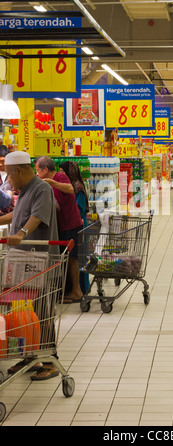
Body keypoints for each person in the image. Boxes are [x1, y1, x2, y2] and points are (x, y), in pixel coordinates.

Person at [0, 151, 60, 381]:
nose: (8, 180)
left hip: (40, 262)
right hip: (22, 264)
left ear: (19, 171)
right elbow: (18, 213)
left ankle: (48, 359)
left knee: (43, 313)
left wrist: (21, 233)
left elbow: (37, 216)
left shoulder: (42, 189)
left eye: (9, 175)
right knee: (25, 313)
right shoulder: (25, 191)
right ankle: (28, 356)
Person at [35, 156, 84, 303]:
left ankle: (76, 291)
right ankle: (67, 290)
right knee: (64, 259)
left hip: (71, 224)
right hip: (60, 225)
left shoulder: (60, 176)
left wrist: (51, 182)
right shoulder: (44, 184)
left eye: (37, 170)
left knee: (72, 259)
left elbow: (70, 189)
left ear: (45, 169)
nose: (36, 173)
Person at [59, 160, 89, 295]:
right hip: (71, 223)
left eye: (63, 171)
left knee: (78, 257)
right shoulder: (67, 186)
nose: (61, 174)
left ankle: (81, 288)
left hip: (80, 225)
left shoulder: (77, 187)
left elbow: (80, 208)